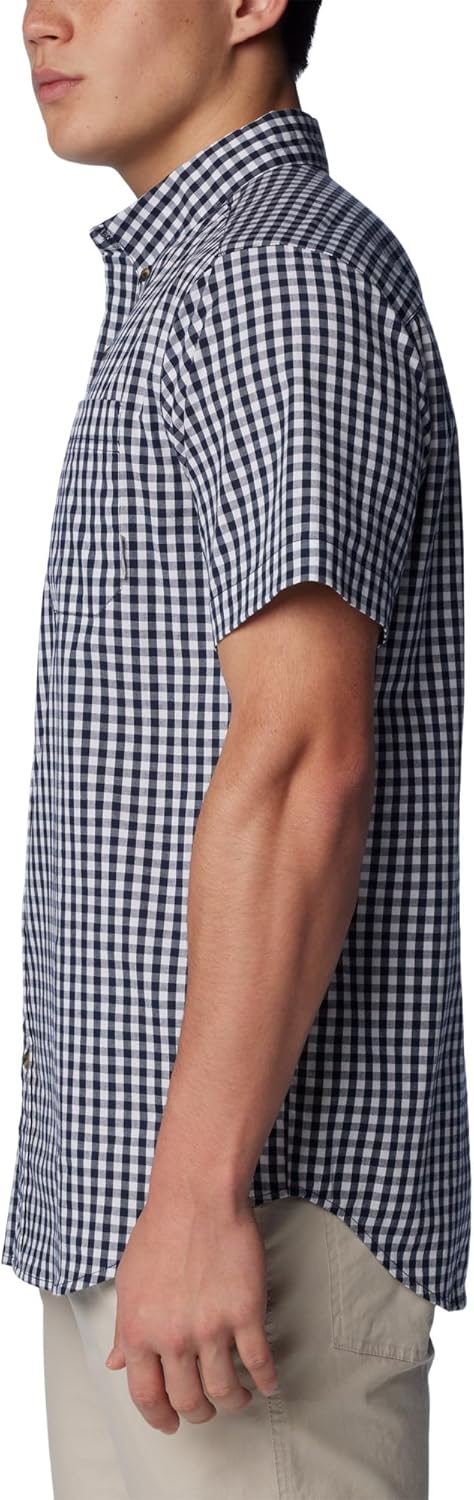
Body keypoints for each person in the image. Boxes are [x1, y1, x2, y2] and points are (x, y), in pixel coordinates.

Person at [3, 2, 470, 1497]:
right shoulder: (195, 279)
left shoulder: (276, 280)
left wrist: (200, 1192)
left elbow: (303, 759)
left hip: (242, 1235)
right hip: (158, 1224)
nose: (37, 18)